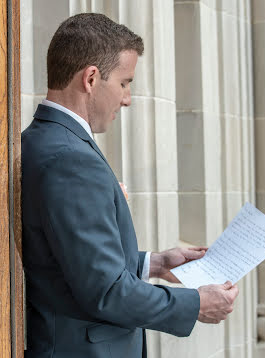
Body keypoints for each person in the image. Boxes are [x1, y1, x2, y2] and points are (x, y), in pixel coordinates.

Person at [21, 13, 239, 358]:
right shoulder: (70, 158)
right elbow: (106, 291)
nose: (128, 98)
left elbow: (68, 258)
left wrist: (154, 263)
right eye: (125, 83)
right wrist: (196, 304)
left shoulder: (43, 140)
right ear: (91, 78)